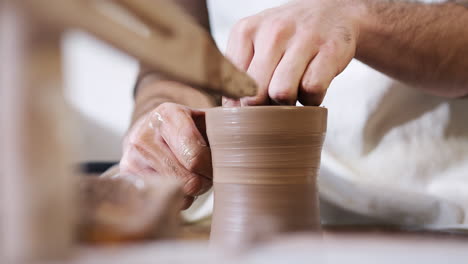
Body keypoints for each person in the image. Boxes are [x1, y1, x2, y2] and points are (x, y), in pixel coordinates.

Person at [118, 0, 468, 224]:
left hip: (434, 195)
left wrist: (360, 16)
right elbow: (174, 47)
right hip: (229, 201)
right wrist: (162, 117)